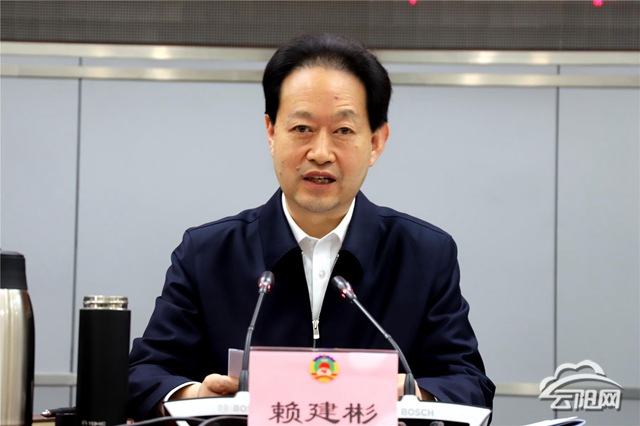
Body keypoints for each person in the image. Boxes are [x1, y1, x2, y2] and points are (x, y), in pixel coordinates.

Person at [128, 33, 495, 420]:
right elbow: (143, 375)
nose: (320, 153)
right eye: (302, 128)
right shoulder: (207, 253)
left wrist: (411, 394)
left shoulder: (423, 254)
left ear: (376, 141)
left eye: (343, 131)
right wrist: (197, 395)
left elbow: (469, 385)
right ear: (271, 132)